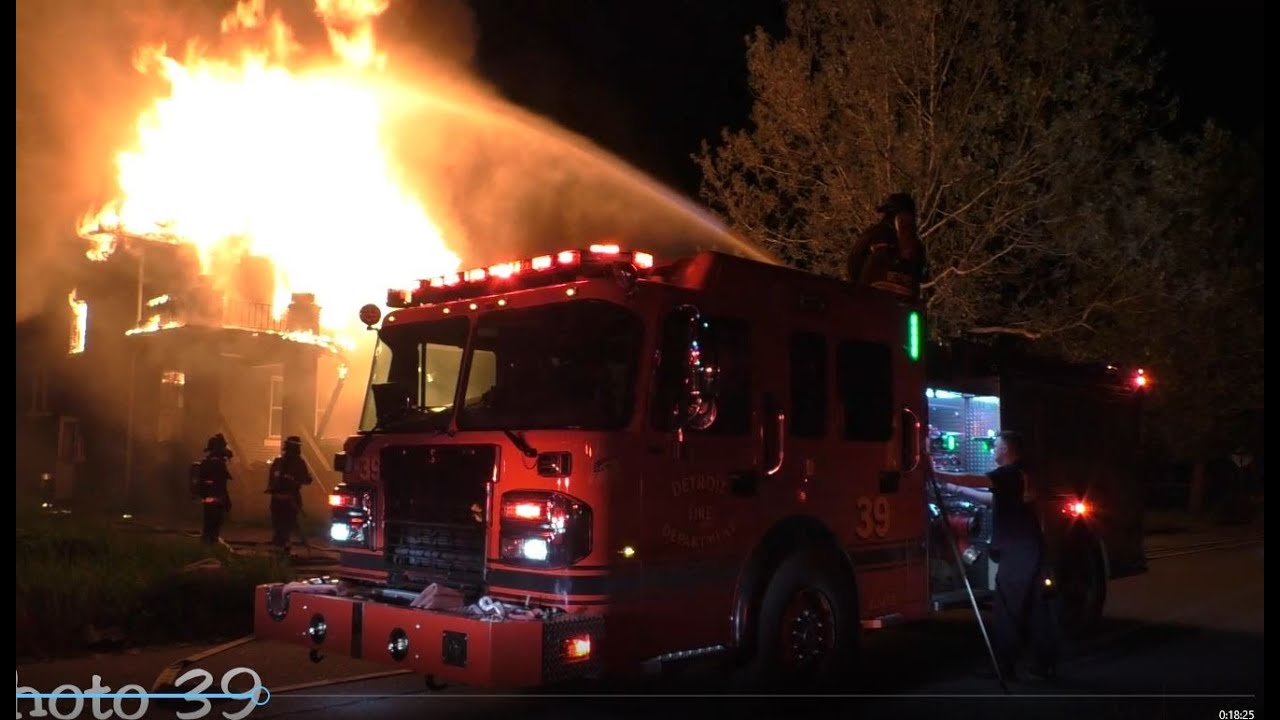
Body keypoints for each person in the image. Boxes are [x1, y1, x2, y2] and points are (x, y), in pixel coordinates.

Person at [938, 430, 1057, 680]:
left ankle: (1004, 666)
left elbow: (976, 480)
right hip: (1029, 549)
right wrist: (955, 489)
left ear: (1006, 450)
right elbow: (992, 500)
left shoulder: (1009, 473)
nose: (993, 450)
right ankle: (1042, 665)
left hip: (1018, 552)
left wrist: (936, 474)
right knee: (1035, 608)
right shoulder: (1019, 474)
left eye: (996, 446)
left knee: (1007, 608)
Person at [846, 192, 927, 298]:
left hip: (872, 296)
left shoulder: (874, 234)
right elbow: (922, 273)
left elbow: (853, 263)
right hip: (905, 300)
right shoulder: (917, 245)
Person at [266, 436, 314, 553]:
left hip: (276, 499)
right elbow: (306, 480)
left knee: (279, 525)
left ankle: (279, 549)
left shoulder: (278, 461)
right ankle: (284, 549)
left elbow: (271, 480)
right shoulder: (299, 462)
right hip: (290, 499)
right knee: (287, 525)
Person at [191, 434, 233, 546]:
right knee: (214, 524)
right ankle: (210, 544)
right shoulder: (217, 463)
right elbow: (220, 485)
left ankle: (208, 542)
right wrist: (225, 500)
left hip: (209, 498)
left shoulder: (207, 462)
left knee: (209, 523)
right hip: (216, 498)